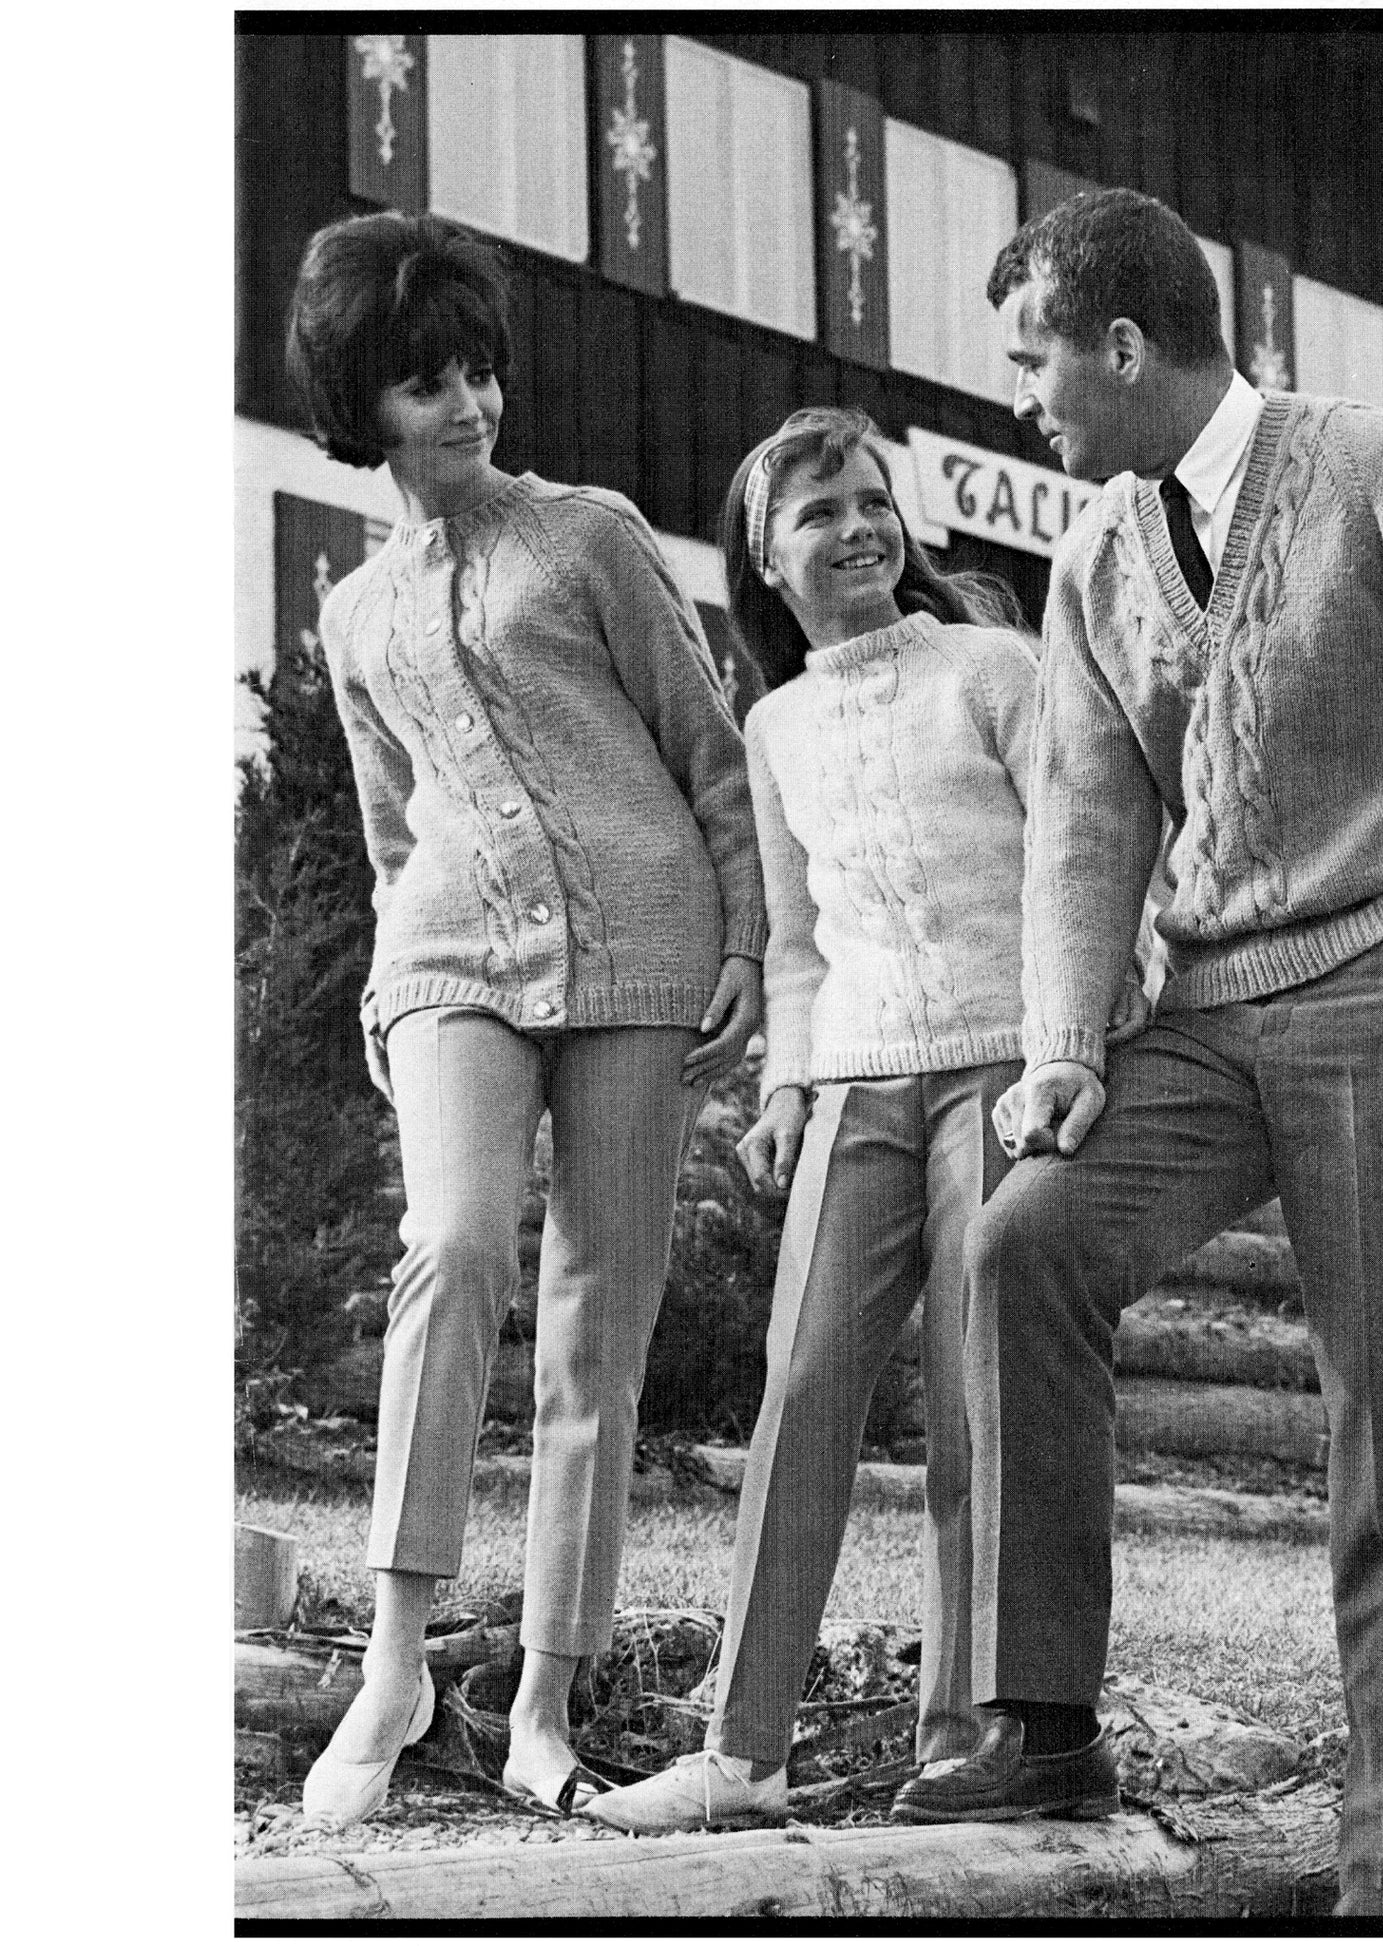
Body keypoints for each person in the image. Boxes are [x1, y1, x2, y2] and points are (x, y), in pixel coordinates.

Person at [888, 189, 1383, 1918]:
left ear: (1124, 347)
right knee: (1021, 1239)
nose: (1026, 400)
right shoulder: (1092, 556)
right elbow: (1086, 818)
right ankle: (1045, 1715)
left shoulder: (1376, 468)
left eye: (1035, 362)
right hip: (1207, 1012)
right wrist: (1067, 1042)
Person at [588, 407, 1148, 1835]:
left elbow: (1080, 854)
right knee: (800, 1397)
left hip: (1001, 1073)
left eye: (869, 501)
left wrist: (1072, 1038)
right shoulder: (767, 724)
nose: (856, 528)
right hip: (855, 1090)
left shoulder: (995, 668)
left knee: (980, 1412)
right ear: (764, 560)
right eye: (819, 512)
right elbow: (793, 941)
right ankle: (743, 1746)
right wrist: (783, 1085)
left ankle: (968, 1737)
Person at [282, 212, 766, 1825]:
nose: (470, 404)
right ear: (365, 403)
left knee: (593, 1325)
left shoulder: (590, 535)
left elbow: (708, 749)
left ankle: (545, 1702)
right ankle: (394, 1656)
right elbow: (388, 831)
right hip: (446, 962)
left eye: (479, 369)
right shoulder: (353, 617)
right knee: (458, 1242)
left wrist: (750, 935)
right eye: (426, 383)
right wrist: (382, 979)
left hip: (638, 945)